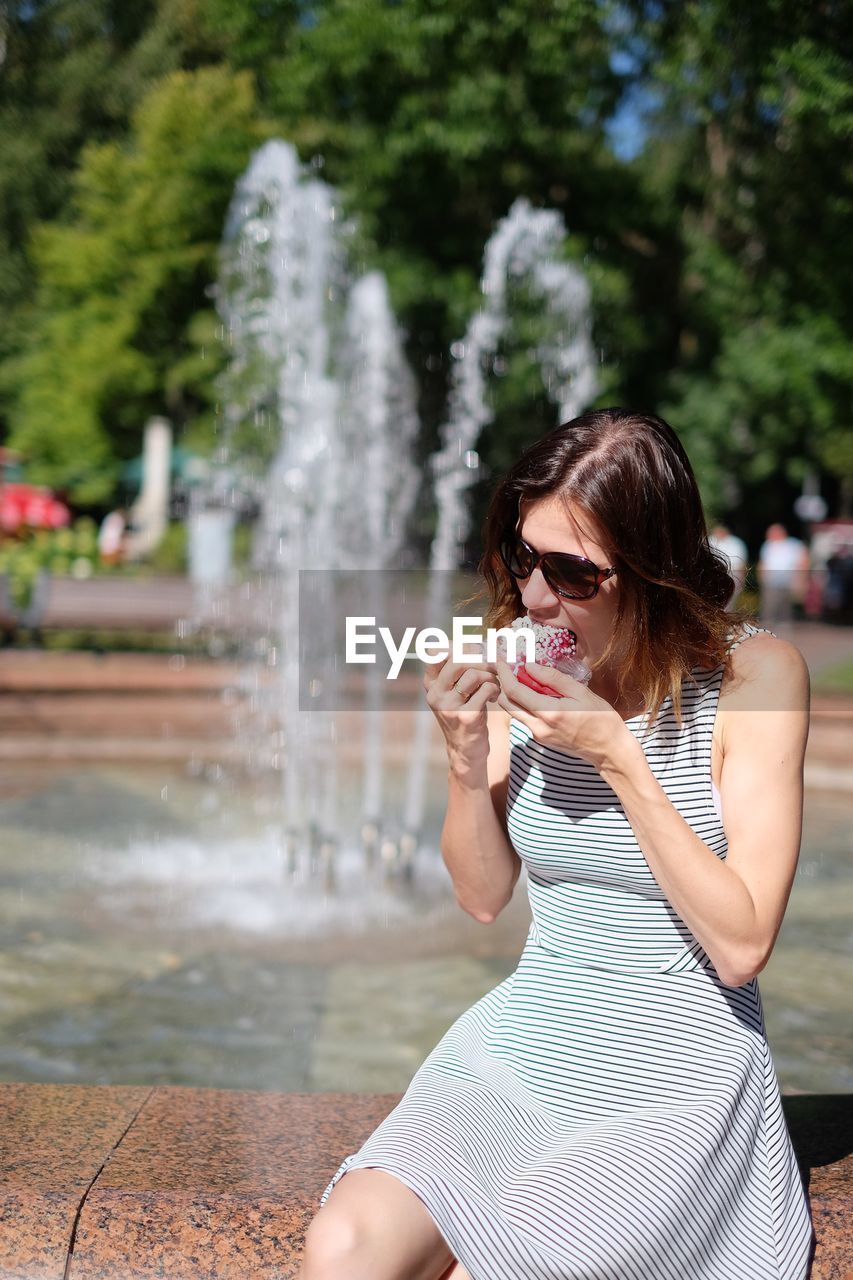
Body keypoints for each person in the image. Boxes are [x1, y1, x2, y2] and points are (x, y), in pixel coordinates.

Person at [300, 409, 814, 1280]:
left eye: (572, 572)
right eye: (521, 557)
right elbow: (481, 896)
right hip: (531, 1034)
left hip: (676, 1069)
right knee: (342, 1247)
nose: (536, 597)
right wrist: (465, 759)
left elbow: (741, 944)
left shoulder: (752, 678)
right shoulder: (523, 658)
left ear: (649, 569)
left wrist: (617, 755)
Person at [758, 523, 810, 629]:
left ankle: (784, 623)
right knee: (769, 601)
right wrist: (762, 576)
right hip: (771, 577)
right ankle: (767, 622)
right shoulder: (768, 545)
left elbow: (803, 560)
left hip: (788, 577)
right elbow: (763, 562)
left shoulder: (793, 544)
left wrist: (801, 577)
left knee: (785, 602)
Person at [709, 521, 748, 609]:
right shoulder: (709, 541)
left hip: (733, 573)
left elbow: (741, 563)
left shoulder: (736, 543)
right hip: (713, 574)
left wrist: (741, 577)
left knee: (730, 600)